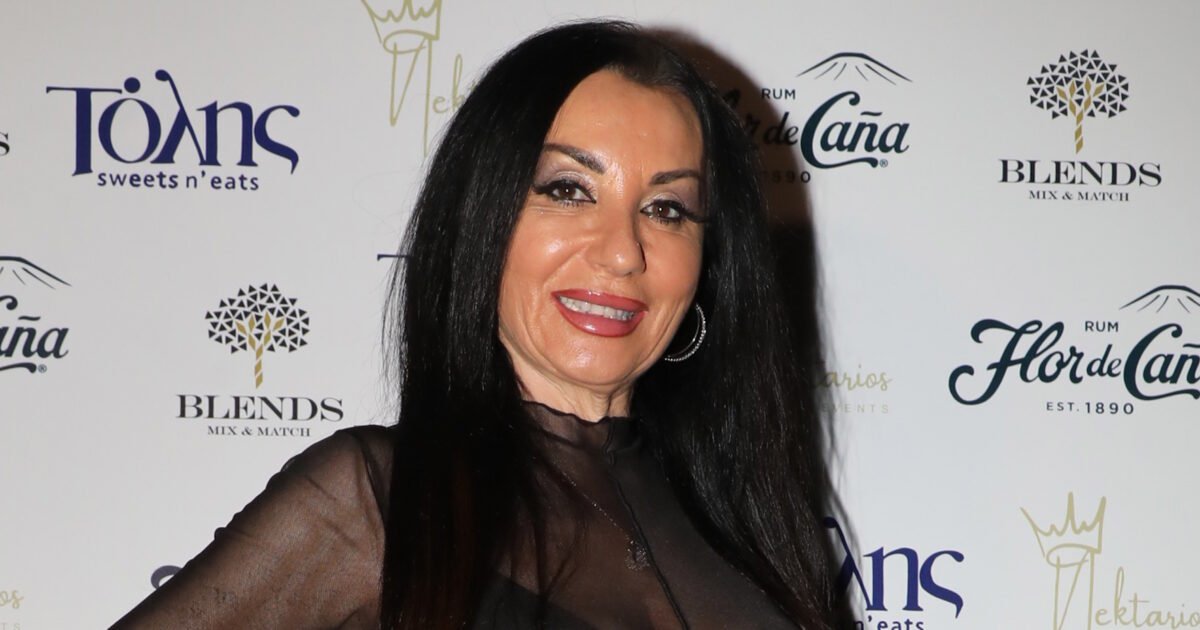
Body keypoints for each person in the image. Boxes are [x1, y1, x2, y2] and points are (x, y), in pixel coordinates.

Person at [112, 20, 849, 629]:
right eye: (568, 190)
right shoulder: (380, 503)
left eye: (667, 208)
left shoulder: (751, 529)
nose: (624, 252)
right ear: (483, 221)